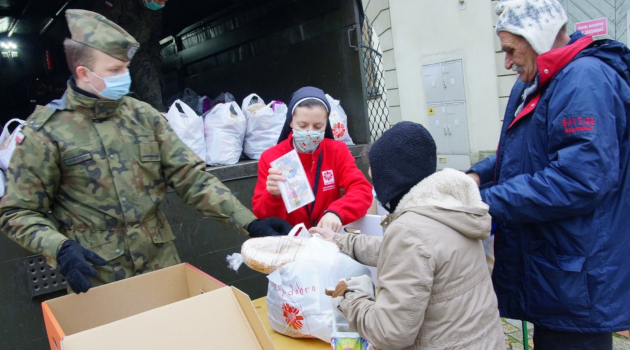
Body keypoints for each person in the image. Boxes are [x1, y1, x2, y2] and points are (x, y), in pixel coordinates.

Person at [0, 10, 291, 294]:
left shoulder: (143, 116)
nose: (125, 76)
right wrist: (59, 248)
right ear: (83, 73)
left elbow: (191, 178)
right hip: (97, 273)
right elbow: (17, 212)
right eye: (114, 70)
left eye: (126, 67)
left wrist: (248, 222)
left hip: (161, 264)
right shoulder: (45, 132)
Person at [467, 0, 630, 348]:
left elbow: (580, 179)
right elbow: (522, 153)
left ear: (537, 37)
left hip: (579, 278)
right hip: (556, 272)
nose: (507, 61)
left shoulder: (583, 80)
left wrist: (484, 200)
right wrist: (476, 176)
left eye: (511, 50)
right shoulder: (538, 79)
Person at [311, 122, 505, 350]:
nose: (373, 181)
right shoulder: (446, 208)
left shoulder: (410, 231)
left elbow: (389, 333)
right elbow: (405, 254)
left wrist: (349, 298)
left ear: (391, 176)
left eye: (375, 173)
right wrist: (339, 240)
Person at [252, 87, 372, 232]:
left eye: (318, 126)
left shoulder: (337, 151)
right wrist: (273, 196)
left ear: (326, 124)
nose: (309, 132)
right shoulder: (271, 157)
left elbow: (362, 190)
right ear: (290, 122)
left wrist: (336, 212)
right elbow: (261, 213)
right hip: (290, 239)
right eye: (302, 126)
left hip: (328, 237)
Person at [89, 0, 167, 111]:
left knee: (154, 99)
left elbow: (154, 38)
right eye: (160, 0)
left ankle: (160, 125)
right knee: (119, 104)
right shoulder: (120, 3)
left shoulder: (156, 9)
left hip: (140, 54)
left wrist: (158, 70)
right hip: (114, 56)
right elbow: (101, 31)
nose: (162, 3)